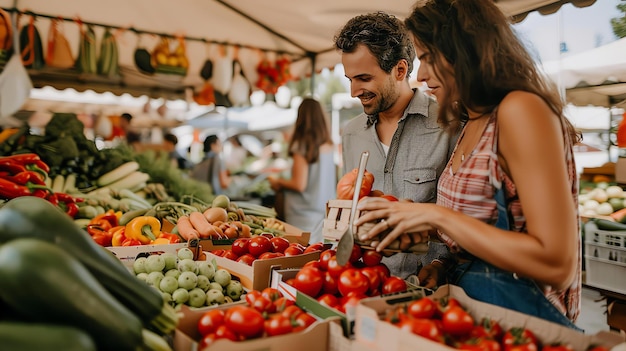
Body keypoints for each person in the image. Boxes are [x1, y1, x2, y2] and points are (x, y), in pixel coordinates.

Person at [354, 0, 582, 328]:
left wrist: (435, 214)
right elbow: (485, 228)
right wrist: (432, 242)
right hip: (479, 322)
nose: (422, 74)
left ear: (466, 50)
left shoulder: (520, 111)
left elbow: (557, 264)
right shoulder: (472, 120)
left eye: (430, 57)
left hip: (524, 329)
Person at [334, 11, 459, 279]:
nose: (354, 92)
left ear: (400, 70)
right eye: (350, 79)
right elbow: (348, 208)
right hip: (363, 285)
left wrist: (441, 264)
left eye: (364, 78)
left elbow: (464, 216)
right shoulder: (351, 133)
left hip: (430, 293)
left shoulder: (448, 125)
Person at [268, 98, 337, 244]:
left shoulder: (302, 145)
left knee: (301, 255)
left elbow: (299, 184)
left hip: (302, 216)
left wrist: (277, 181)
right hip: (323, 213)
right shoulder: (328, 146)